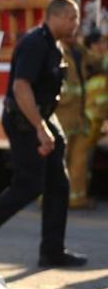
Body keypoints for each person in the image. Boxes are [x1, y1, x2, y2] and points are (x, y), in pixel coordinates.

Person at [0, 0, 86, 268]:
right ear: (56, 17)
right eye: (72, 18)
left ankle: (52, 251)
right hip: (24, 121)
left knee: (58, 186)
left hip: (43, 119)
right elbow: (21, 88)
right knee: (28, 186)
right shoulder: (34, 43)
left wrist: (47, 128)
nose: (76, 23)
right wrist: (40, 129)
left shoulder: (55, 45)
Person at [54, 30, 107, 209]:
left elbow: (99, 61)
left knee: (79, 161)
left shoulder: (80, 51)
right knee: (59, 160)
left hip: (78, 117)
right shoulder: (54, 51)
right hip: (62, 116)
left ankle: (76, 198)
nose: (73, 35)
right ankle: (50, 198)